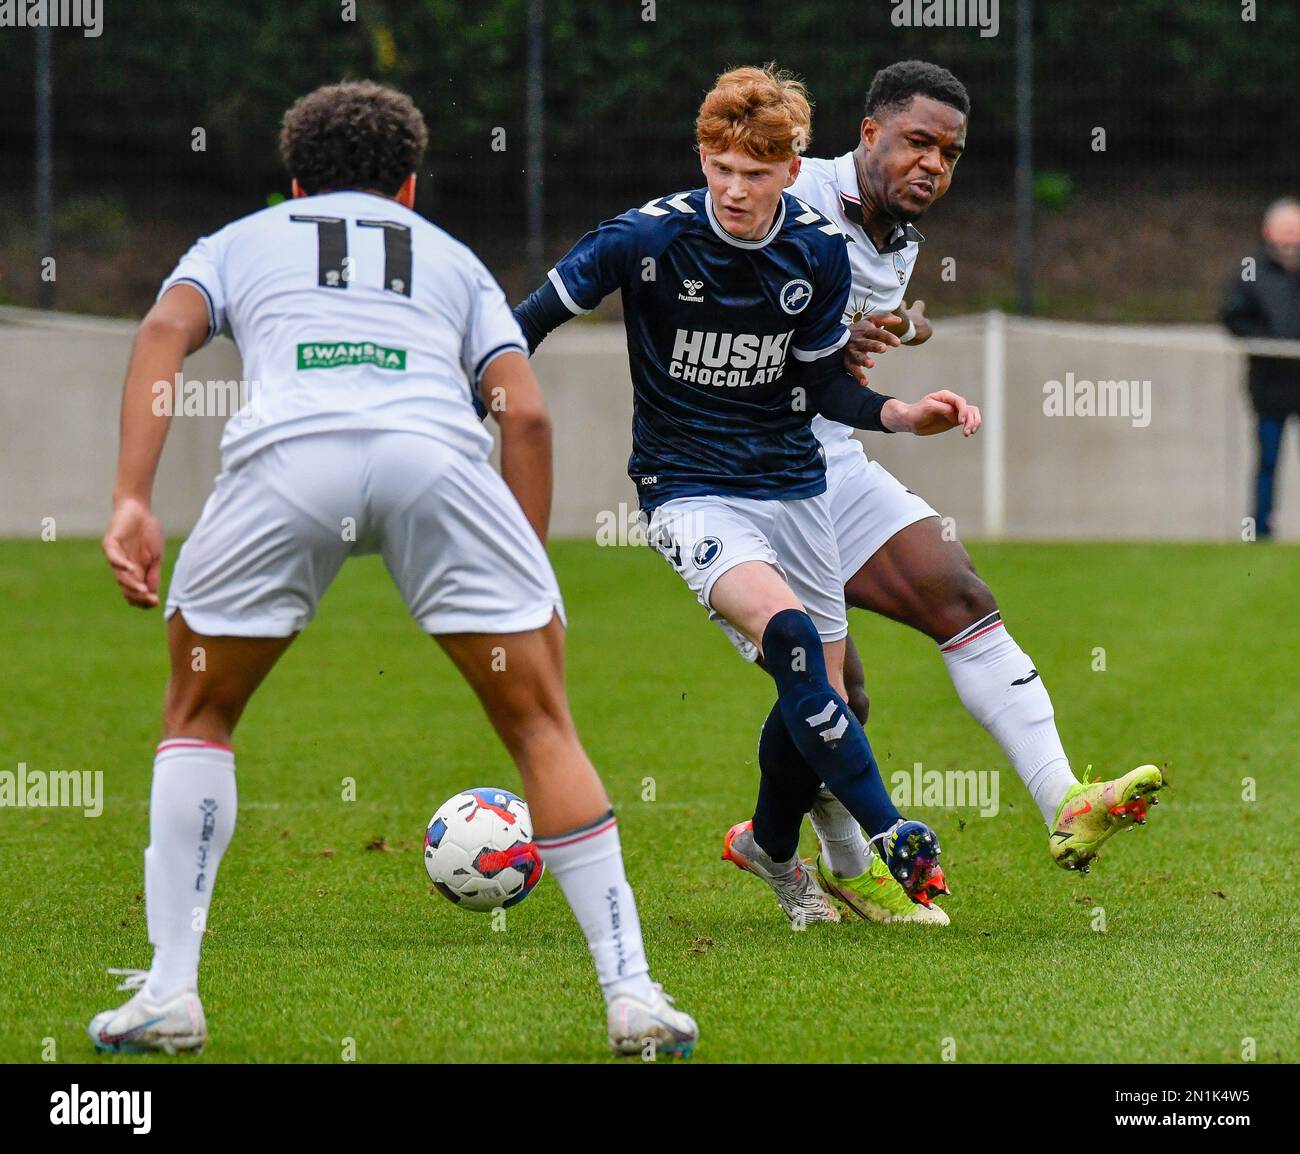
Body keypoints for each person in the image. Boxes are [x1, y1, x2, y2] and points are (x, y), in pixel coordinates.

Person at [91, 80, 697, 1059]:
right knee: (541, 721)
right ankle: (632, 993)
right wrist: (521, 570)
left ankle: (170, 993)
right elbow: (527, 416)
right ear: (409, 187)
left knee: (198, 714)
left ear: (295, 180)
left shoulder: (241, 239)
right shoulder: (452, 261)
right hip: (435, 461)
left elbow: (163, 333)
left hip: (286, 461)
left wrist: (130, 494)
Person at [514, 65, 978, 926]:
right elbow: (525, 323)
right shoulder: (642, 239)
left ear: (792, 171)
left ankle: (770, 850)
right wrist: (478, 400)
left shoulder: (816, 252)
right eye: (721, 169)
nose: (735, 190)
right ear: (704, 157)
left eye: (756, 175)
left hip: (794, 485)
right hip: (687, 489)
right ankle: (887, 834)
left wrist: (900, 414)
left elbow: (819, 393)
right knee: (792, 639)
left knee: (830, 703)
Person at [731, 61, 1164, 926]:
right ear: (868, 135)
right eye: (918, 142)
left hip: (827, 457)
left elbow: (860, 329)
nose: (933, 164)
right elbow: (707, 283)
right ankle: (805, 852)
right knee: (837, 698)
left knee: (961, 595)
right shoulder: (783, 188)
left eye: (950, 153)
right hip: (736, 472)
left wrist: (903, 327)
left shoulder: (901, 241)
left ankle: (1063, 800)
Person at [1221, 197, 1300, 540]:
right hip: (1269, 385)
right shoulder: (1251, 269)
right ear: (1269, 231)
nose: (1292, 236)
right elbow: (1233, 315)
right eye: (1287, 228)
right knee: (1267, 460)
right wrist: (1268, 342)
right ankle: (1260, 530)